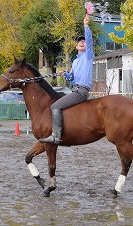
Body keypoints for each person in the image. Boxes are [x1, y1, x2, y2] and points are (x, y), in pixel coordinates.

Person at [39, 14, 94, 144]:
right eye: (80, 41)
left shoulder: (88, 55)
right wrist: (65, 74)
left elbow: (89, 41)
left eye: (84, 41)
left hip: (81, 91)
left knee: (55, 106)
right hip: (74, 89)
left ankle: (56, 136)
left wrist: (86, 26)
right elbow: (72, 77)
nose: (82, 42)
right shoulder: (75, 61)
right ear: (76, 46)